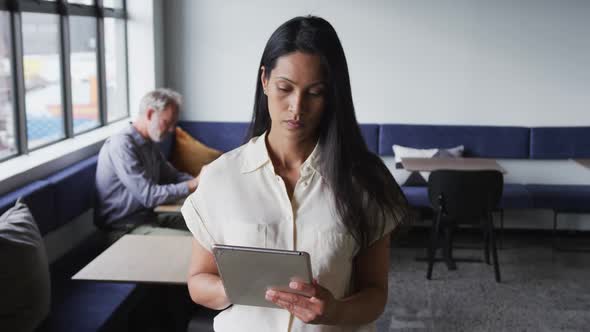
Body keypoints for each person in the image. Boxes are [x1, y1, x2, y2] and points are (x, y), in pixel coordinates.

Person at [181, 16, 409, 331]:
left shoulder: (365, 180)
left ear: (332, 95)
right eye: (284, 88)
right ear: (264, 81)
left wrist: (335, 312)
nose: (296, 107)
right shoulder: (222, 177)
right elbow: (198, 280)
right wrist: (239, 287)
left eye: (314, 92)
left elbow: (376, 294)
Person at [96, 88, 199, 234]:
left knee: (204, 227)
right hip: (123, 228)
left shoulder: (149, 143)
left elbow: (173, 176)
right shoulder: (122, 145)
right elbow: (149, 196)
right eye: (167, 122)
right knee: (192, 242)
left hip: (148, 218)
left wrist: (201, 182)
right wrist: (192, 184)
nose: (171, 130)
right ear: (150, 114)